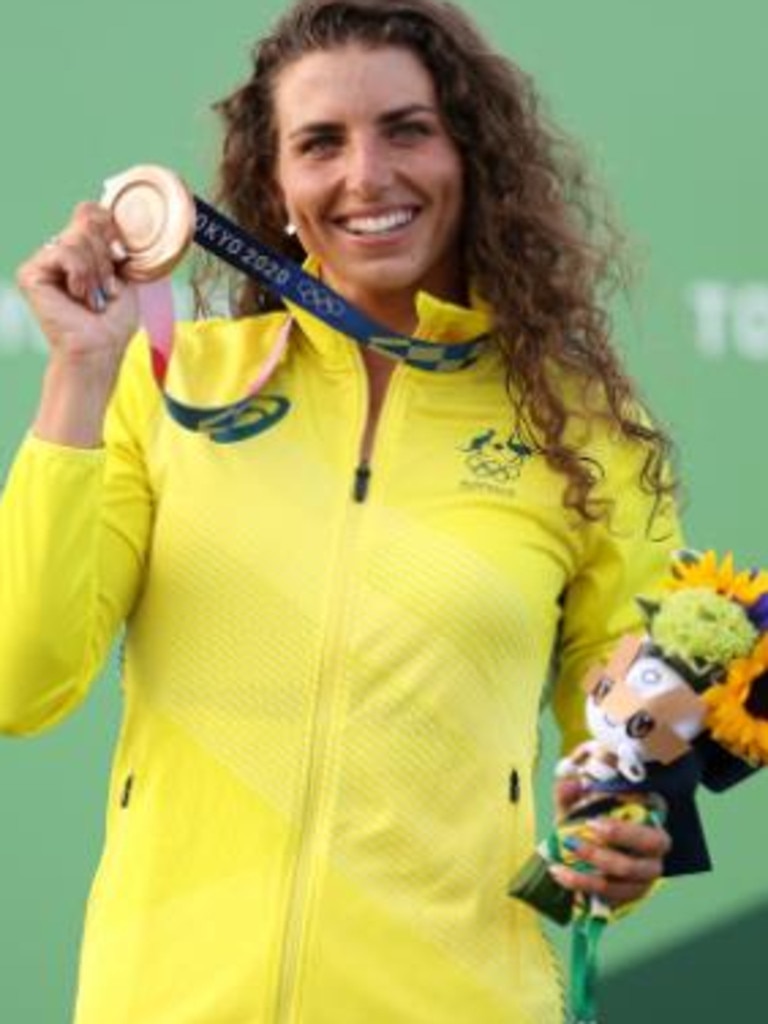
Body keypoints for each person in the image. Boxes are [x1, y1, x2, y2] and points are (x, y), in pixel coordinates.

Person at [1, 1, 678, 1021]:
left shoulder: (584, 430)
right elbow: (21, 679)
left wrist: (630, 832)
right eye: (321, 143)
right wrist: (78, 381)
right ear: (274, 187)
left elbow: (634, 732)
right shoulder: (171, 384)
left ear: (471, 157)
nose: (366, 176)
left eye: (407, 129)